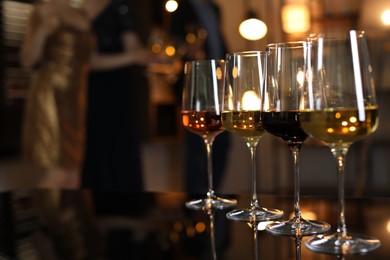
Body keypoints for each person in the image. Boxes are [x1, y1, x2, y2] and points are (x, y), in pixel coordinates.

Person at [19, 0, 93, 188]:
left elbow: (92, 61)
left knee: (74, 174)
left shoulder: (82, 13)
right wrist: (43, 28)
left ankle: (71, 217)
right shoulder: (43, 10)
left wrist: (134, 57)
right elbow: (28, 60)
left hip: (76, 98)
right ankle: (49, 216)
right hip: (51, 95)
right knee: (56, 173)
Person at [81, 0, 149, 191]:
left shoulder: (120, 6)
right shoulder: (74, 9)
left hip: (120, 87)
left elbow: (134, 47)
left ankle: (127, 208)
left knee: (121, 147)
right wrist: (134, 56)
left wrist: (148, 56)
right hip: (89, 89)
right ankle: (97, 211)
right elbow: (89, 61)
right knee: (95, 148)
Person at [169, 0, 231, 193]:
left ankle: (215, 192)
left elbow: (218, 44)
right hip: (195, 84)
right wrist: (187, 51)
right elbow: (174, 45)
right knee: (196, 146)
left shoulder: (214, 9)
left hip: (219, 85)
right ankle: (196, 198)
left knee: (223, 142)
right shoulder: (181, 10)